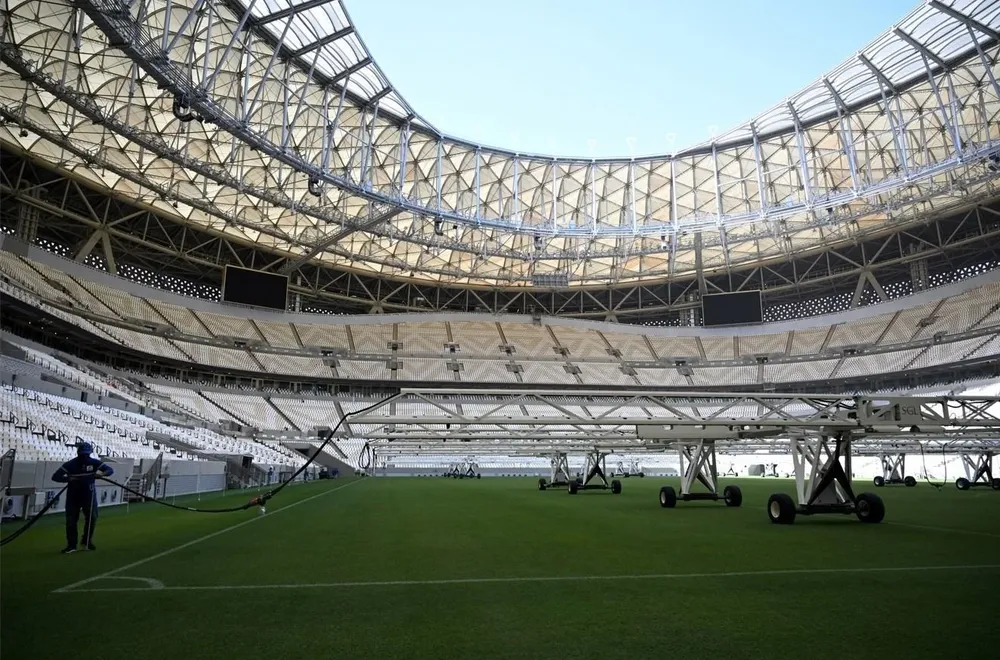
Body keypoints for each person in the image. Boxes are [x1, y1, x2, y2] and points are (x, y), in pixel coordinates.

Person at [52, 442, 114, 554]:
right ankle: (71, 545)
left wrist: (102, 475)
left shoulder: (94, 463)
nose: (84, 457)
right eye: (82, 454)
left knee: (92, 518)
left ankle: (86, 541)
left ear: (89, 454)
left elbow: (110, 470)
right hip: (73, 497)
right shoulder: (70, 464)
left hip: (89, 497)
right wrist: (68, 479)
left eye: (86, 454)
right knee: (71, 521)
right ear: (78, 453)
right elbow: (55, 476)